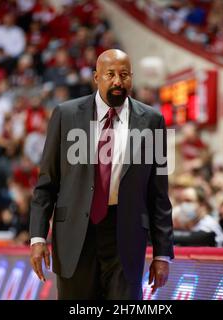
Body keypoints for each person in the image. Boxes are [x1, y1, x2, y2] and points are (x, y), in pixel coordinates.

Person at [29, 49, 174, 300]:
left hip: (125, 233)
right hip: (75, 232)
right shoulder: (66, 114)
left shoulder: (152, 120)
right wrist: (38, 237)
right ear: (96, 78)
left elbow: (158, 193)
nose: (118, 81)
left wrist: (162, 253)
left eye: (124, 74)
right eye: (110, 74)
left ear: (132, 78)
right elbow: (46, 184)